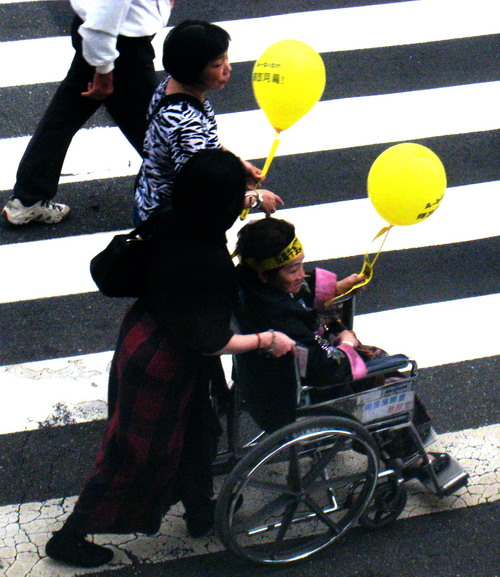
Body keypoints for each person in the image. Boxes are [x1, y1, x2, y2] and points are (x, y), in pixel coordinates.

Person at [44, 149, 296, 569]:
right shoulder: (210, 260)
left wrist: (249, 193)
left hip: (144, 334)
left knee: (196, 432)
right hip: (164, 364)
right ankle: (70, 537)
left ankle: (200, 511)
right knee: (137, 453)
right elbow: (213, 342)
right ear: (220, 205)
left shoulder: (171, 215)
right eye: (236, 195)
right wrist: (266, 339)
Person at [233, 217, 447, 478]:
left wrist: (336, 288)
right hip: (302, 394)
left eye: (301, 265)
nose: (301, 274)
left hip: (259, 384)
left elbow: (298, 291)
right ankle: (410, 457)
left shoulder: (247, 287)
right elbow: (328, 369)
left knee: (373, 355)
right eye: (293, 270)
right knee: (391, 378)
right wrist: (346, 343)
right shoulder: (282, 318)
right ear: (264, 274)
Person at [3, 0, 174, 226]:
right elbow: (105, 14)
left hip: (108, 38)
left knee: (66, 115)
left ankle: (28, 198)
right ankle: (183, 191)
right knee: (154, 126)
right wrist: (103, 71)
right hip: (117, 44)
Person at [133, 19, 283, 224]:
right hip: (172, 224)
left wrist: (237, 164)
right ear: (192, 70)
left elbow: (204, 147)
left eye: (226, 59)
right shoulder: (185, 124)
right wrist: (254, 199)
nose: (228, 68)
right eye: (217, 65)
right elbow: (202, 195)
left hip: (150, 195)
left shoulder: (171, 85)